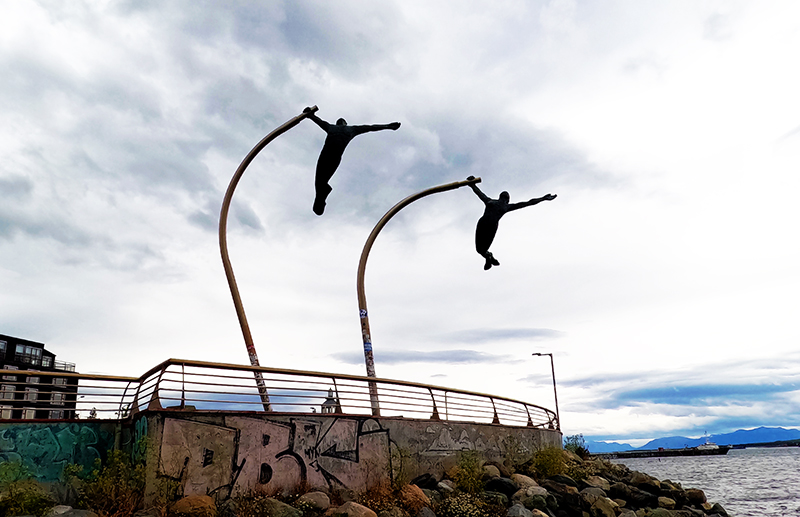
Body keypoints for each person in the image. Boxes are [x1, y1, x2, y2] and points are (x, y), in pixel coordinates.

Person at [304, 107, 401, 215]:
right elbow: (370, 127)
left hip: (330, 157)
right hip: (329, 157)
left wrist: (388, 126)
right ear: (344, 123)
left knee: (320, 180)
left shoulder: (338, 128)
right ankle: (320, 201)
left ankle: (320, 200)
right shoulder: (343, 128)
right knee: (320, 180)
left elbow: (370, 128)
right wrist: (310, 115)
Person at [466, 176, 556, 270]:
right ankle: (489, 256)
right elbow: (528, 203)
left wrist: (472, 185)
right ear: (507, 199)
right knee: (481, 249)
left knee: (480, 249)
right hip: (487, 225)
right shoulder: (503, 206)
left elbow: (480, 194)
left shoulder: (491, 202)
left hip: (486, 224)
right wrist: (543, 198)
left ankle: (489, 257)